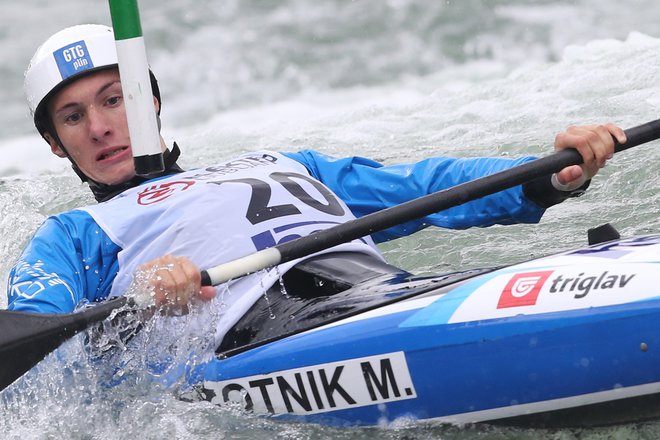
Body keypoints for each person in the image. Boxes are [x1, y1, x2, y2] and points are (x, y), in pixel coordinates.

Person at [6, 24, 623, 344]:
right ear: (56, 144)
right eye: (73, 116)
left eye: (115, 100)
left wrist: (552, 174)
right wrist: (137, 306)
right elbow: (37, 351)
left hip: (388, 294)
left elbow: (425, 185)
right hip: (268, 334)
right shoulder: (73, 234)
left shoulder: (279, 160)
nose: (101, 127)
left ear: (152, 102)